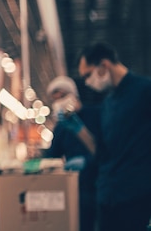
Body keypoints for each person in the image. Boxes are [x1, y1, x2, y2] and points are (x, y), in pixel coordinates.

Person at [77, 42, 151, 231]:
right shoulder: (108, 103)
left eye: (88, 75)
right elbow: (102, 152)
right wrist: (79, 130)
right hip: (107, 199)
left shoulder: (145, 91)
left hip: (136, 200)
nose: (87, 82)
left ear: (104, 65)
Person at [44, 75, 101, 231]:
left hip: (97, 184)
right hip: (74, 186)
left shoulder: (96, 114)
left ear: (73, 94)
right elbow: (52, 155)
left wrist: (87, 161)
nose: (59, 102)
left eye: (62, 97)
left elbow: (106, 150)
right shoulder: (62, 126)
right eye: (55, 100)